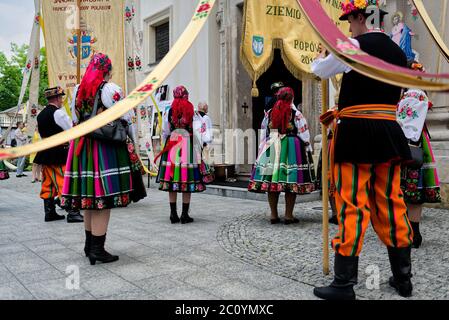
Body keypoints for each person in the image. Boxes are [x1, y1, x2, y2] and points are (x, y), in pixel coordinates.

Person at [311, 1, 414, 300]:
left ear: (359, 17)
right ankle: (403, 279)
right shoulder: (398, 52)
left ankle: (344, 284)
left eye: (349, 21)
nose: (348, 27)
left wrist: (321, 54)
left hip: (357, 133)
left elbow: (320, 70)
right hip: (388, 132)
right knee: (391, 201)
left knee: (352, 203)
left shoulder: (354, 45)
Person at [61, 53, 146, 265]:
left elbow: (74, 119)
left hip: (81, 147)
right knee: (102, 201)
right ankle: (98, 249)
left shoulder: (78, 90)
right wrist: (134, 143)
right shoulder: (110, 89)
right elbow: (126, 117)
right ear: (107, 71)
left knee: (89, 200)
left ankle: (89, 246)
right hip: (103, 147)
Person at [248, 87, 315, 224]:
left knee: (271, 181)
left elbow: (264, 130)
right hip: (291, 146)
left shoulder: (270, 112)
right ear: (291, 98)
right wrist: (307, 147)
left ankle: (273, 215)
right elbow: (304, 133)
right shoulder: (296, 113)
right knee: (291, 182)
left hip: (272, 143)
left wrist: (262, 148)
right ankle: (288, 215)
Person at [397, 61, 441, 249]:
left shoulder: (408, 94)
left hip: (405, 142)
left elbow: (402, 119)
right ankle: (413, 231)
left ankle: (409, 232)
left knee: (407, 188)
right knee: (414, 189)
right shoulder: (417, 93)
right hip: (416, 141)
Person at [156, 85, 214, 224]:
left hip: (172, 143)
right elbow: (199, 130)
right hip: (187, 143)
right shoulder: (192, 111)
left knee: (172, 179)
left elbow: (166, 130)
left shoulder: (168, 111)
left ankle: (173, 214)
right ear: (186, 96)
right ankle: (184, 215)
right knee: (187, 178)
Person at [33, 87, 84, 223]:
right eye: (61, 98)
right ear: (57, 98)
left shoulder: (41, 114)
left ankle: (49, 212)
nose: (62, 100)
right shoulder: (58, 113)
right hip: (58, 152)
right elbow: (71, 130)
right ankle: (72, 212)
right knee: (64, 181)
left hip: (45, 152)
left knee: (48, 183)